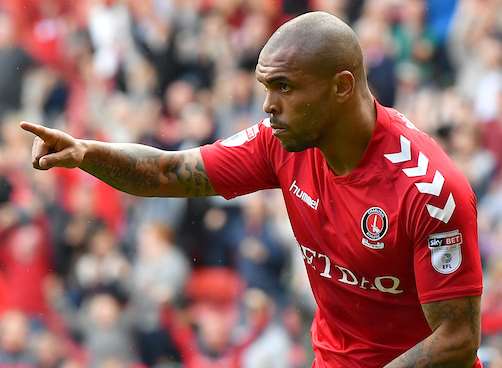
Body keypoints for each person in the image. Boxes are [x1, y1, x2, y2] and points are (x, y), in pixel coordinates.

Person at [20, 11, 483, 368]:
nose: (268, 105)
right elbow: (168, 171)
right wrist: (86, 153)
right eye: (266, 86)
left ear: (342, 86)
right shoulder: (281, 142)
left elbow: (457, 339)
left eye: (284, 87)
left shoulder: (429, 192)